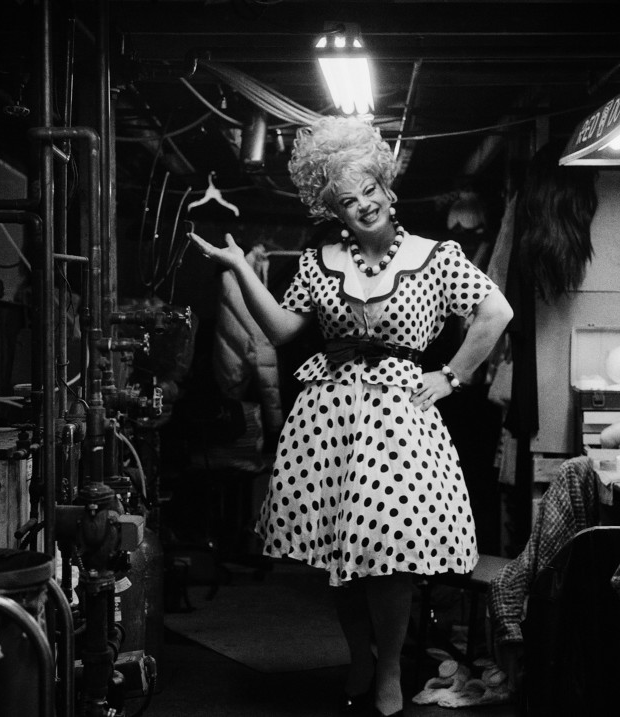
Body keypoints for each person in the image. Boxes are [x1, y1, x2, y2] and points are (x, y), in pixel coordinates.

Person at [188, 116, 513, 717]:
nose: (363, 204)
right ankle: (359, 656)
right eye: (346, 199)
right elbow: (282, 330)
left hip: (399, 421)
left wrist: (451, 376)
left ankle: (388, 670)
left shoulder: (435, 256)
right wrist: (238, 267)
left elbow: (497, 313)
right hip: (329, 417)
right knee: (340, 555)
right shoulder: (319, 261)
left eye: (369, 189)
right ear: (333, 209)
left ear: (387, 189)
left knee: (389, 553)